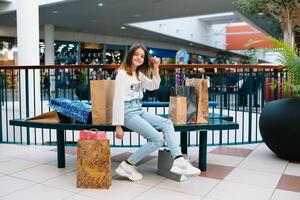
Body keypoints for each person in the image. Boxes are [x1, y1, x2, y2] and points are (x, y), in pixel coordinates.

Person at [112, 44, 201, 181]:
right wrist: (118, 126)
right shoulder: (122, 74)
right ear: (130, 55)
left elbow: (153, 86)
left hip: (138, 109)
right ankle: (127, 165)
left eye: (142, 56)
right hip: (127, 112)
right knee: (158, 140)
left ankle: (179, 161)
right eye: (136, 54)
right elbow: (117, 100)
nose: (139, 57)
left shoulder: (138, 74)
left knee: (167, 123)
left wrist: (155, 69)